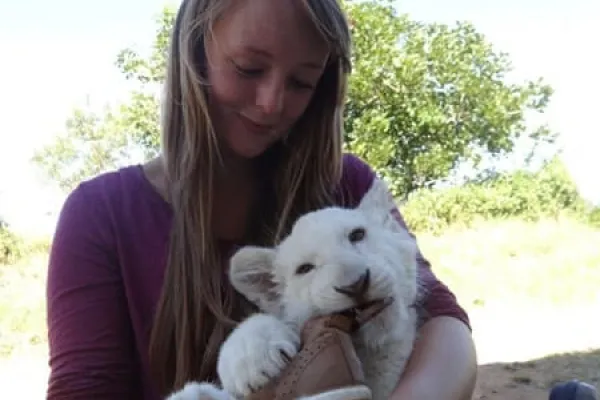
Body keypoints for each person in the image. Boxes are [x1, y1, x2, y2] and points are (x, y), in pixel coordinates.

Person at [45, 0, 477, 399]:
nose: (272, 103)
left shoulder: (346, 184)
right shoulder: (101, 215)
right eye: (249, 69)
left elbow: (441, 316)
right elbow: (84, 389)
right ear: (194, 53)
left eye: (302, 81)